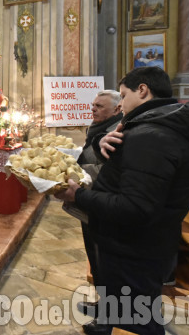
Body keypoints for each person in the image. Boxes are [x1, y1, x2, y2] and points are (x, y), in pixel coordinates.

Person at [55, 66, 189, 335]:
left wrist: (77, 195)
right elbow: (134, 178)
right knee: (132, 311)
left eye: (124, 95)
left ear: (142, 90)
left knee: (136, 322)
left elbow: (135, 208)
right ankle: (108, 316)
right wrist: (105, 152)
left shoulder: (152, 135)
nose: (122, 103)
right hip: (145, 243)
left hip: (133, 247)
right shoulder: (158, 127)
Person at [73, 90, 122, 318]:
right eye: (93, 105)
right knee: (96, 258)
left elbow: (108, 172)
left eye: (99, 106)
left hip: (103, 202)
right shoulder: (100, 128)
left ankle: (110, 316)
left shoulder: (117, 130)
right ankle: (104, 303)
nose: (93, 109)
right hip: (93, 201)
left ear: (117, 109)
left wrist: (76, 174)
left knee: (106, 261)